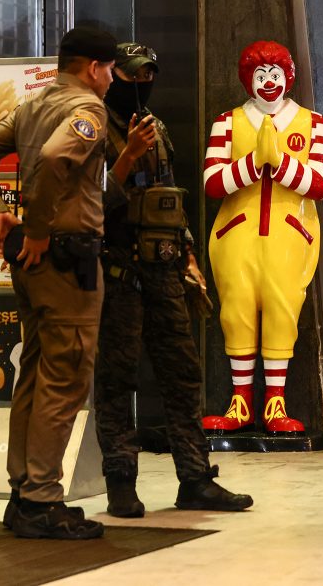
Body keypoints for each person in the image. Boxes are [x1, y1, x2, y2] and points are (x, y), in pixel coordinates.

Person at [0, 27, 119, 541]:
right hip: (65, 259)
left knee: (34, 372)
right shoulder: (88, 110)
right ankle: (42, 500)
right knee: (66, 372)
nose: (113, 79)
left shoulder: (31, 106)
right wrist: (35, 228)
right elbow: (57, 159)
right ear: (94, 67)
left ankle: (23, 490)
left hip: (35, 264)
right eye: (111, 69)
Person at [95, 42, 252, 517]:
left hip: (165, 269)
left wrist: (187, 254)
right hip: (118, 269)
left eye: (148, 76)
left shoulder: (156, 129)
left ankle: (195, 477)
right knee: (117, 379)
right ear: (112, 76)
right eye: (132, 77)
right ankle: (121, 480)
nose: (141, 85)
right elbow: (92, 200)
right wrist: (128, 155)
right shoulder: (93, 125)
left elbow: (169, 194)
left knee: (183, 373)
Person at [201, 40, 323, 434]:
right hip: (236, 236)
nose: (269, 82)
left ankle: (276, 403)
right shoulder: (226, 122)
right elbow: (213, 183)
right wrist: (255, 162)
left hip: (289, 238)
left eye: (275, 74)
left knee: (282, 310)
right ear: (247, 79)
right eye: (261, 75)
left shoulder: (314, 123)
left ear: (288, 76)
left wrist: (280, 160)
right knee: (235, 311)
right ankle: (240, 403)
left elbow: (320, 183)